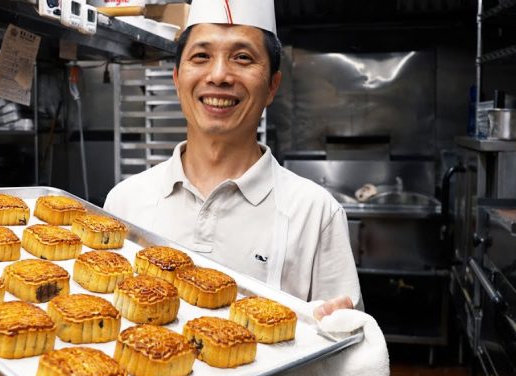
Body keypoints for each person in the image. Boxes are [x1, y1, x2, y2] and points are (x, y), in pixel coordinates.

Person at [104, 0, 361, 319]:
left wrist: (338, 327)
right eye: (201, 56)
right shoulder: (124, 202)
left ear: (272, 86)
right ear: (177, 79)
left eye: (242, 57)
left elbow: (347, 356)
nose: (219, 75)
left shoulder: (315, 213)